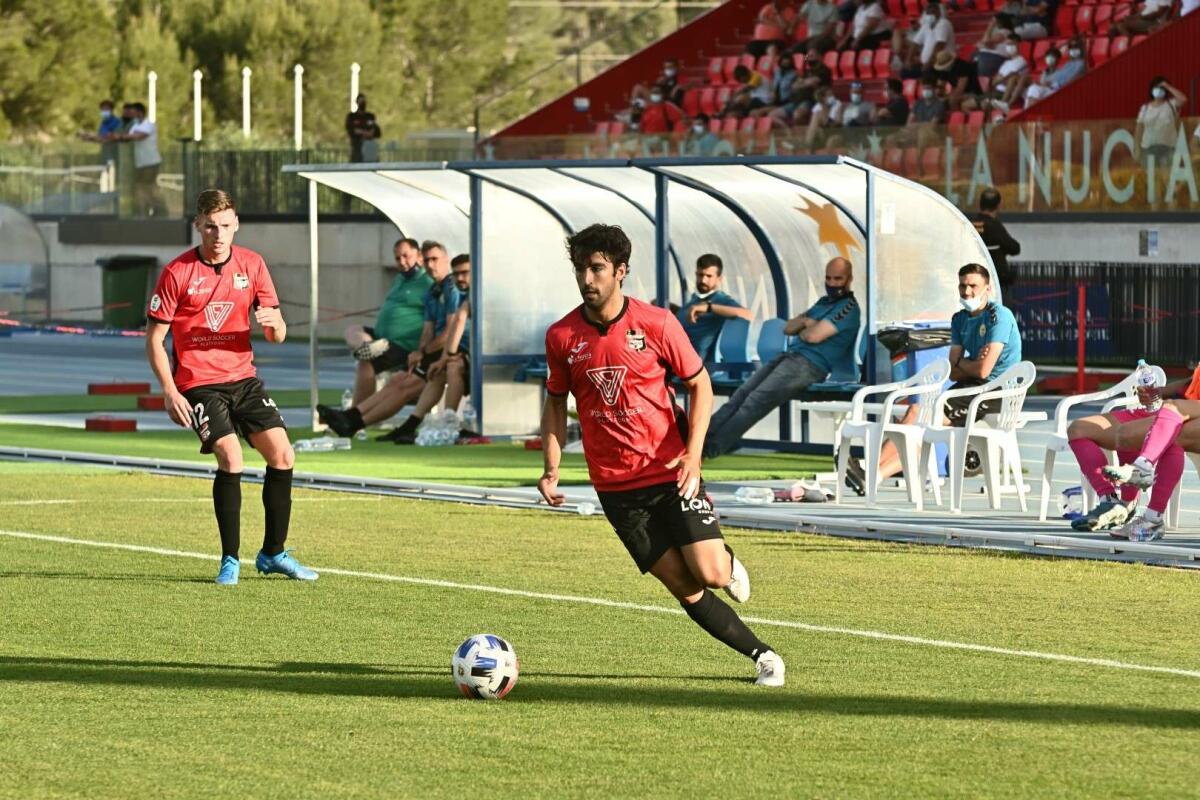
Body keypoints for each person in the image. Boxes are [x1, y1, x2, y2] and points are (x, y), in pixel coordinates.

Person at [538, 223, 785, 687]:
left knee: (710, 573)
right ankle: (764, 656)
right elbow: (554, 401)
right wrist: (551, 469)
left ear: (620, 271)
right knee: (685, 587)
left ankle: (728, 562)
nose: (587, 279)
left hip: (671, 473)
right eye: (580, 269)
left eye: (596, 268)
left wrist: (693, 457)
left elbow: (700, 384)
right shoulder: (561, 337)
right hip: (617, 490)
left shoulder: (656, 324)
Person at [144, 189, 316, 585]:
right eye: (209, 226)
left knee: (283, 455)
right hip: (199, 383)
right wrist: (170, 391)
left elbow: (277, 335)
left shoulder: (253, 265)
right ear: (197, 226)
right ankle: (230, 559)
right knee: (231, 456)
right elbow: (154, 340)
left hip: (244, 379)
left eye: (224, 226)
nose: (218, 234)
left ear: (236, 223)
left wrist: (275, 325)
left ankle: (273, 553)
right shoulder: (177, 272)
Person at [870, 263, 1021, 485]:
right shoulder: (959, 319)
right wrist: (970, 362)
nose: (967, 291)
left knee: (917, 415)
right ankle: (874, 475)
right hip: (970, 387)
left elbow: (984, 370)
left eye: (973, 286)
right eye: (962, 285)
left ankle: (869, 471)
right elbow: (953, 371)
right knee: (918, 421)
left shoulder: (999, 317)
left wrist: (965, 363)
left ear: (988, 289)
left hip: (996, 390)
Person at [703, 257, 860, 460]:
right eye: (828, 278)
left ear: (849, 279)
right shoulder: (823, 303)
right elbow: (788, 328)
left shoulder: (848, 308)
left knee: (754, 402)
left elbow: (812, 336)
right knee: (741, 395)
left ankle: (709, 449)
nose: (831, 284)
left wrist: (806, 326)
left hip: (809, 365)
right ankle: (698, 438)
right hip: (789, 356)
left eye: (837, 279)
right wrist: (808, 322)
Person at [318, 241, 460, 439]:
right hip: (432, 353)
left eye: (434, 259)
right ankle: (350, 419)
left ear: (446, 260)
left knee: (406, 385)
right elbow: (429, 329)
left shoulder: (451, 289)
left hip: (453, 355)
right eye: (428, 260)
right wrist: (418, 354)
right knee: (397, 381)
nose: (430, 265)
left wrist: (428, 353)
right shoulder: (433, 291)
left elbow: (451, 332)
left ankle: (355, 422)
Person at [385, 253, 474, 444]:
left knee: (452, 366)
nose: (459, 278)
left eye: (465, 273)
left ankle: (448, 423)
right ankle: (411, 423)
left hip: (487, 353)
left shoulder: (473, 292)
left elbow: (456, 324)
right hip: (461, 351)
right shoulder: (440, 292)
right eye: (456, 273)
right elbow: (436, 328)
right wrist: (436, 356)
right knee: (438, 371)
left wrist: (443, 356)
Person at [344, 237, 432, 404]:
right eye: (398, 258)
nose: (402, 262)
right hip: (382, 338)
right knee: (352, 329)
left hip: (403, 344)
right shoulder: (399, 279)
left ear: (419, 255)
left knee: (366, 364)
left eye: (406, 256)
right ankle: (367, 346)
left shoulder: (427, 281)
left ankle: (356, 415)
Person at [675, 254, 752, 361]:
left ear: (719, 279)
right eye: (700, 275)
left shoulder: (720, 300)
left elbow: (747, 314)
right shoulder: (695, 300)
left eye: (709, 276)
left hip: (691, 364)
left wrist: (709, 308)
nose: (703, 280)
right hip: (675, 355)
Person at [116, 102, 165, 216]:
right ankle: (147, 211)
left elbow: (139, 136)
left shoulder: (148, 124)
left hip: (150, 162)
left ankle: (159, 211)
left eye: (133, 112)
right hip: (140, 163)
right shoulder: (135, 126)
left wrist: (121, 136)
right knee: (143, 188)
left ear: (139, 112)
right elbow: (128, 137)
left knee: (147, 187)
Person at [969, 188, 1021, 295]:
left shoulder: (970, 225)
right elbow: (1014, 248)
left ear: (980, 204)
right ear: (998, 205)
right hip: (995, 283)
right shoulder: (995, 226)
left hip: (972, 281)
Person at [1135, 77, 1186, 169]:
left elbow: (1183, 99)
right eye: (1156, 88)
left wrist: (1167, 86)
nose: (1158, 91)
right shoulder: (1145, 108)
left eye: (1161, 89)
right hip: (1148, 148)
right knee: (1150, 177)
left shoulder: (1171, 104)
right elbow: (1139, 129)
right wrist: (1137, 149)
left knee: (1167, 178)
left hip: (1168, 148)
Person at [346, 94, 382, 163]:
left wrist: (368, 133)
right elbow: (352, 131)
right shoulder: (352, 117)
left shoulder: (370, 116)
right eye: (361, 101)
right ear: (357, 103)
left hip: (370, 150)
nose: (363, 103)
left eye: (364, 101)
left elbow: (376, 131)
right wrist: (364, 133)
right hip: (357, 149)